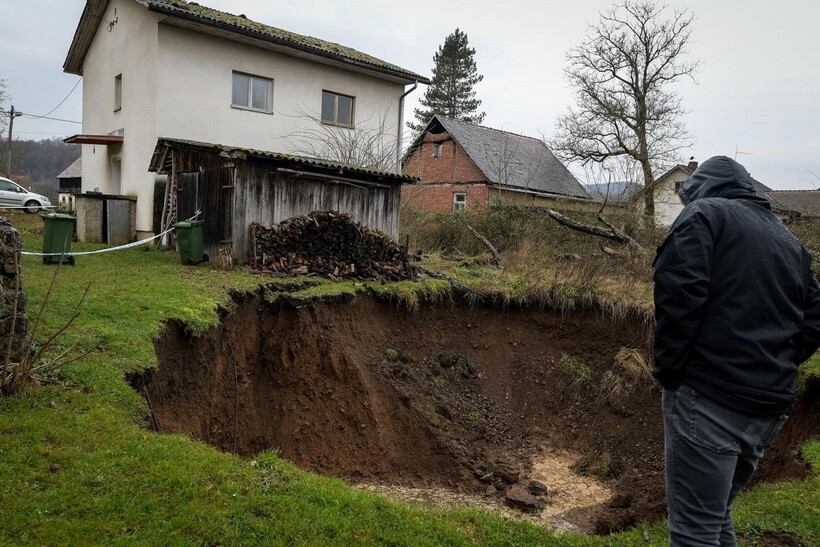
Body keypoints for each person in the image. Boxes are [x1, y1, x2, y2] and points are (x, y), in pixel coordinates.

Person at [652, 155, 820, 546]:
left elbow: (680, 293)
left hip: (709, 397)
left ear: (699, 190)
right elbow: (815, 316)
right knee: (715, 515)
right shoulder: (785, 238)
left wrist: (671, 371)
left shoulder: (705, 215)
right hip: (767, 407)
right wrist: (778, 361)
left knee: (694, 531)